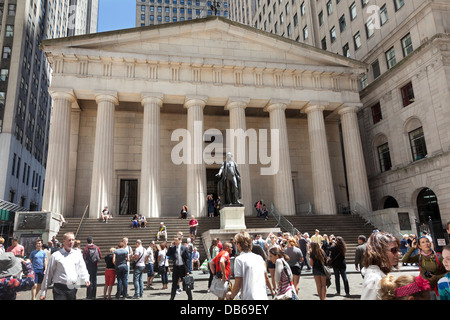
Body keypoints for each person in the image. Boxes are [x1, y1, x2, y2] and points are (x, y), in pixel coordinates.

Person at [40, 232, 90, 300]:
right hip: (59, 288)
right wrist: (43, 291)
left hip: (72, 287)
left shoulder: (77, 254)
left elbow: (82, 268)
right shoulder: (56, 255)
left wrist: (86, 278)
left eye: (73, 240)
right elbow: (49, 273)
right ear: (64, 241)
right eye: (69, 240)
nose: (71, 242)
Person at [226, 231, 268, 300]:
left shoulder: (239, 259)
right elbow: (264, 277)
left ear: (238, 244)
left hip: (249, 297)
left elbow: (237, 283)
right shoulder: (259, 258)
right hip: (263, 296)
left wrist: (231, 296)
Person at [402, 235, 446, 299]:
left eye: (427, 241)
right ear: (419, 246)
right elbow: (404, 260)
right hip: (426, 290)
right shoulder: (419, 257)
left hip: (440, 288)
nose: (426, 244)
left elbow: (448, 272)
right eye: (423, 242)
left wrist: (437, 277)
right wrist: (412, 248)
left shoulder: (439, 256)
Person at [360, 231, 400, 300]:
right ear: (380, 252)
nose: (398, 253)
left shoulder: (378, 274)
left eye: (398, 249)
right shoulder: (374, 279)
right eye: (394, 250)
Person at [167, 236, 193, 300]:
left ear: (180, 240)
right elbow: (167, 254)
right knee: (174, 284)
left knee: (186, 284)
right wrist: (170, 246)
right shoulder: (173, 248)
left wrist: (187, 271)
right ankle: (172, 298)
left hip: (183, 268)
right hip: (176, 268)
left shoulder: (184, 248)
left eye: (176, 240)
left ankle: (190, 298)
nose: (175, 241)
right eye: (174, 240)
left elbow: (187, 260)